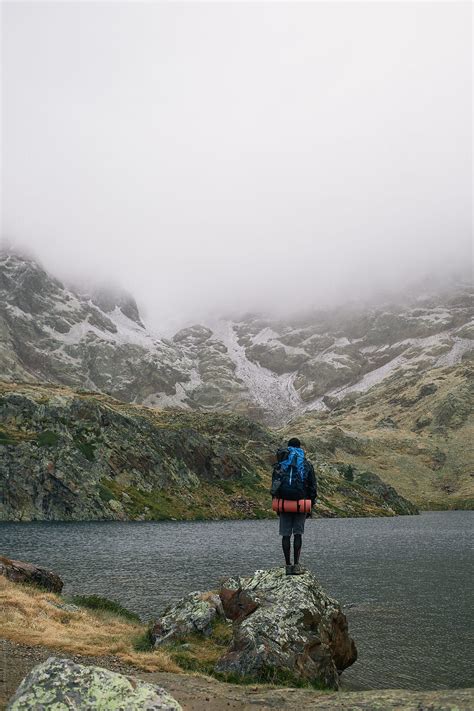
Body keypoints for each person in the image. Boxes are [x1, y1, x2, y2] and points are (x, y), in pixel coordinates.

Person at [271, 437, 317, 575]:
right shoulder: (306, 464)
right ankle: (296, 565)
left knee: (285, 535)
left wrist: (277, 502)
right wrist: (310, 504)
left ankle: (287, 565)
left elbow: (274, 483)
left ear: (288, 446)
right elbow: (313, 486)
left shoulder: (281, 462)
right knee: (298, 534)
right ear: (300, 447)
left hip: (284, 503)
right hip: (300, 503)